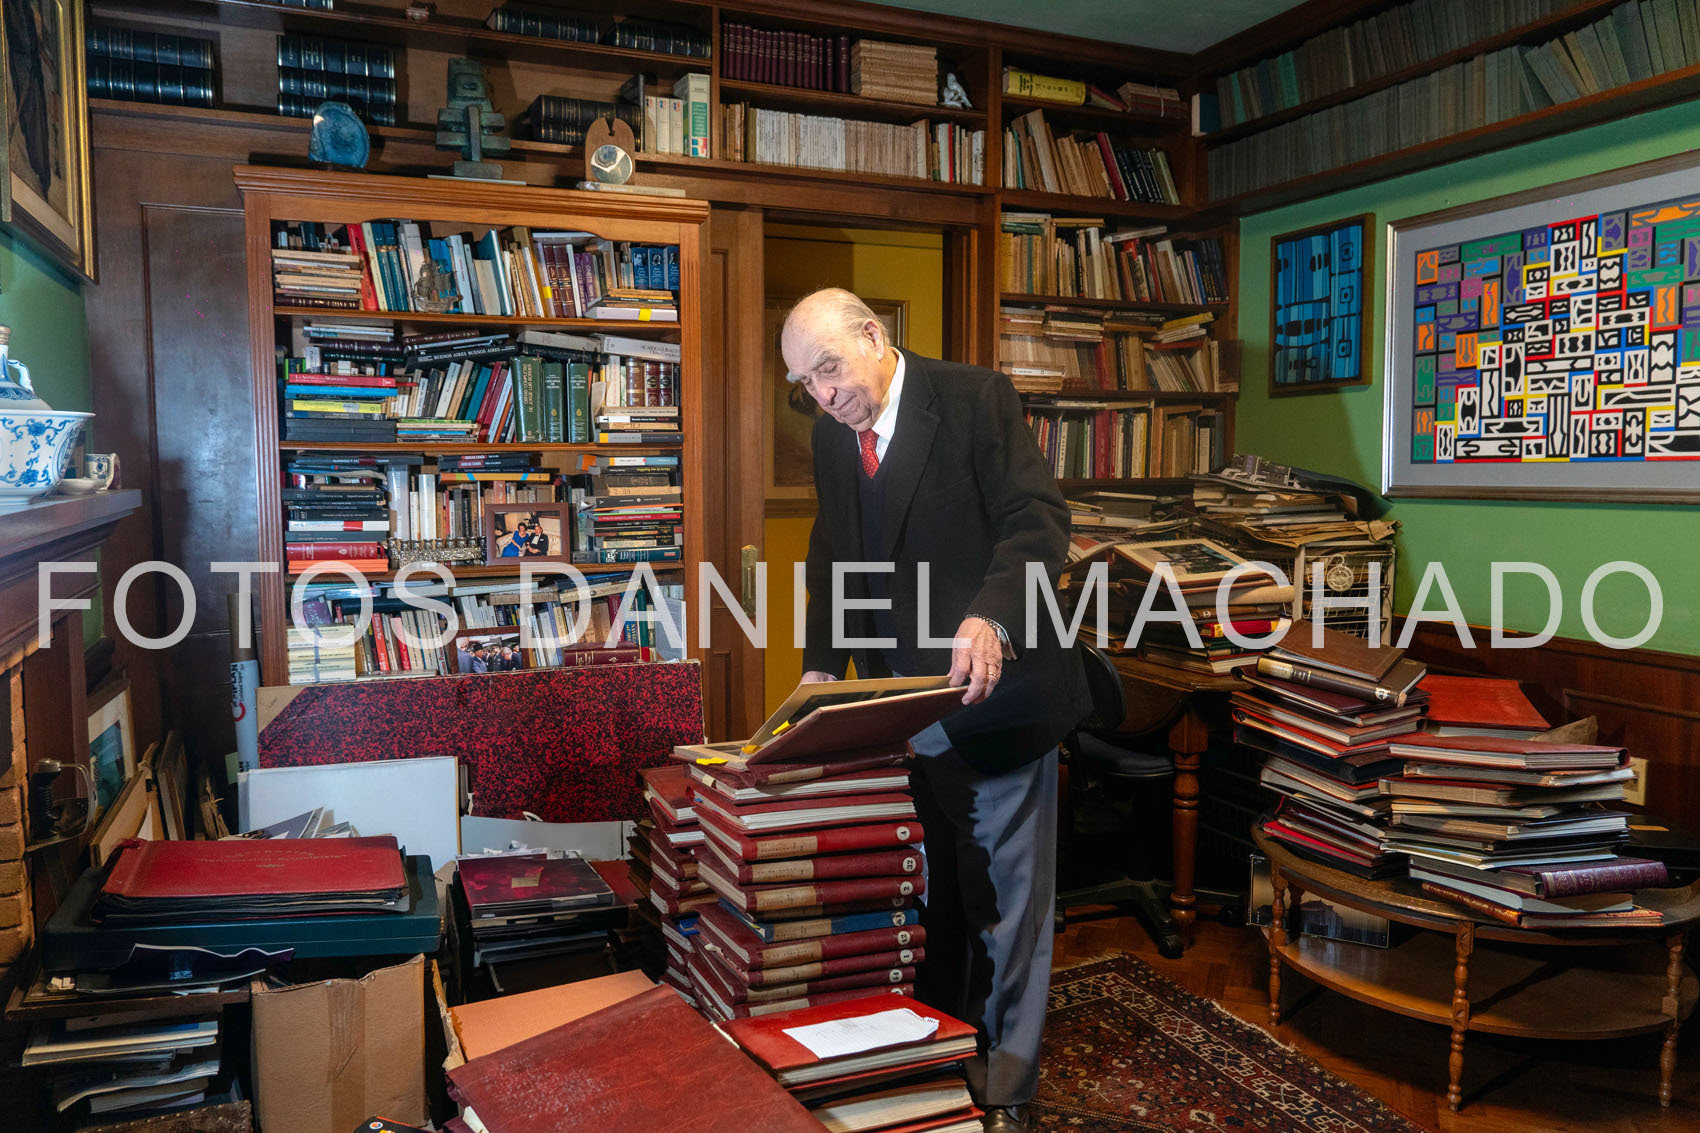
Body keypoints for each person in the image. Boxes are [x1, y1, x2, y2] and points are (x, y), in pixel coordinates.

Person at [784, 288, 1090, 1133]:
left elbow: (1039, 522)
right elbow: (833, 554)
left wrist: (992, 614)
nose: (823, 393)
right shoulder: (832, 435)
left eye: (830, 368)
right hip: (901, 708)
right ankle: (944, 1062)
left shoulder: (974, 399)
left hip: (998, 699)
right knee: (934, 897)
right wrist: (820, 665)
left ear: (874, 336)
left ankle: (1007, 1087)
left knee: (1007, 908)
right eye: (805, 381)